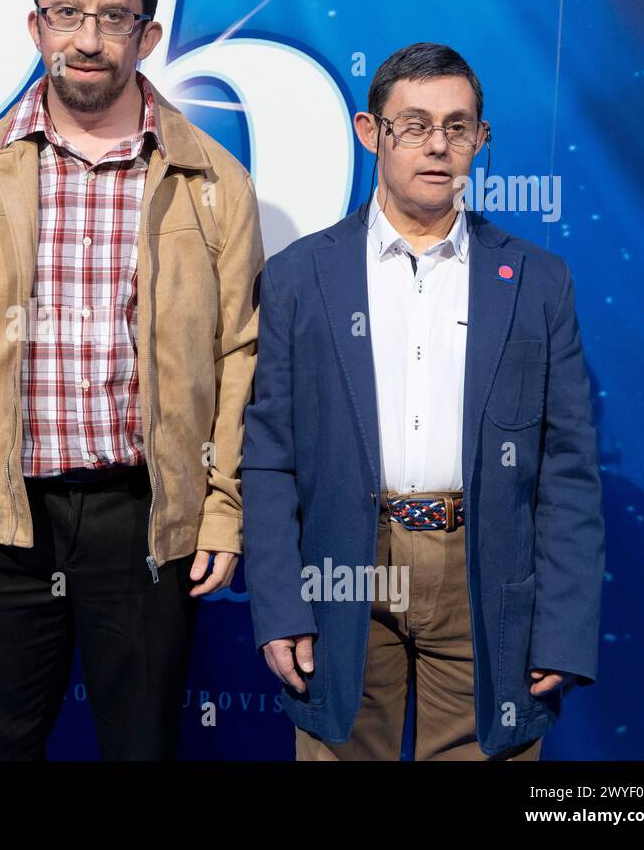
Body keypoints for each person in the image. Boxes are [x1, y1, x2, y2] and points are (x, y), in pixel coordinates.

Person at [0, 0, 264, 760]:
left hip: (143, 518)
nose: (88, 39)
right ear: (36, 26)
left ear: (147, 34)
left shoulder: (215, 180)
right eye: (67, 14)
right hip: (3, 517)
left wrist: (222, 508)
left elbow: (239, 356)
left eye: (113, 18)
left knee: (141, 748)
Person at [242, 42, 604, 760]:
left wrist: (562, 627)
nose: (438, 145)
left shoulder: (538, 281)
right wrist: (280, 606)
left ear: (481, 139)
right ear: (370, 132)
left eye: (459, 126)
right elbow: (268, 458)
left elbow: (568, 468)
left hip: (483, 574)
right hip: (341, 572)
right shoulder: (297, 277)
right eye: (413, 124)